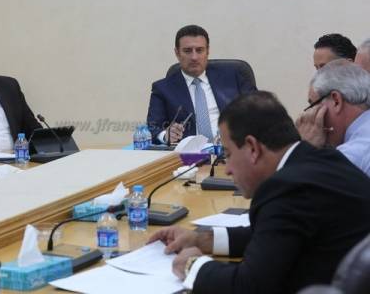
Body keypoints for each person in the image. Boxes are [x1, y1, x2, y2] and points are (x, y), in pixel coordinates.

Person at [148, 91, 370, 294]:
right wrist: (202, 239)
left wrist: (193, 265)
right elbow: (274, 236)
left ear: (252, 148)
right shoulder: (321, 159)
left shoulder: (287, 189)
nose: (228, 168)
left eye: (228, 154)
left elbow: (249, 287)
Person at [146, 25, 256, 144]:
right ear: (177, 53)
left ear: (207, 51)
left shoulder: (233, 77)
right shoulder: (163, 89)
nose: (194, 57)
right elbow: (153, 127)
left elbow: (259, 111)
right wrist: (165, 135)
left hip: (232, 149)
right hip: (188, 154)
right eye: (187, 51)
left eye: (199, 50)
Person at [296, 60, 370, 177]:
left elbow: (300, 185)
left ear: (336, 101)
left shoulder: (350, 155)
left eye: (312, 105)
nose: (310, 115)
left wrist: (305, 149)